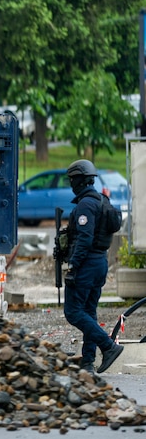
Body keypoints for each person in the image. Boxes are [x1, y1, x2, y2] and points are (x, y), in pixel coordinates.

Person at [62, 159, 124, 374]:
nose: (71, 184)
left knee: (73, 312)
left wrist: (73, 267)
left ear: (78, 180)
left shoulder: (85, 205)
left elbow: (85, 239)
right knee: (89, 311)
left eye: (72, 180)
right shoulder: (102, 200)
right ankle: (88, 362)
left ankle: (108, 346)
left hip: (87, 264)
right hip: (100, 262)